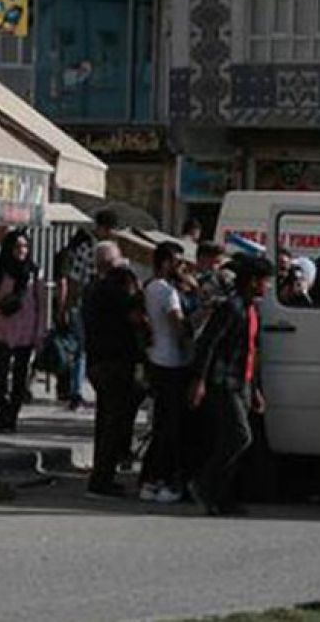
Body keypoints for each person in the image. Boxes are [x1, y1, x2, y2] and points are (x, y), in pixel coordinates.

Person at [188, 255, 274, 516]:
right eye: (265, 282)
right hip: (225, 381)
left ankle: (223, 497)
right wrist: (199, 380)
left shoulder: (252, 309)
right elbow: (208, 343)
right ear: (253, 281)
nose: (268, 287)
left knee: (233, 440)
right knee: (240, 436)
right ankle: (203, 483)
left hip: (244, 382)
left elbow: (252, 351)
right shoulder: (231, 307)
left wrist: (256, 388)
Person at [82, 242, 147, 497]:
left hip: (98, 360)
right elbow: (134, 317)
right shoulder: (114, 289)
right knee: (113, 422)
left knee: (106, 420)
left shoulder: (92, 288)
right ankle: (102, 478)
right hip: (115, 361)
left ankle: (102, 474)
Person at [139, 242, 193, 503]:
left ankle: (150, 479)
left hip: (157, 359)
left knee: (161, 425)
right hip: (171, 362)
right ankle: (160, 479)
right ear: (165, 263)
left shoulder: (150, 287)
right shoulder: (167, 292)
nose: (181, 267)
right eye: (177, 261)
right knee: (170, 427)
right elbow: (180, 328)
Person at [59, 209, 120, 410]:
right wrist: (69, 306)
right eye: (110, 228)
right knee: (82, 349)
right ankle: (76, 391)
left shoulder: (114, 250)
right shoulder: (87, 249)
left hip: (104, 307)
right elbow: (74, 280)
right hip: (87, 305)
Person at [0, 230, 43, 432]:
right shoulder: (0, 272)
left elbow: (40, 303)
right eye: (18, 246)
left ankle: (12, 416)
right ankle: (4, 409)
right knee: (0, 376)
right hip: (3, 329)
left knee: (20, 375)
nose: (22, 251)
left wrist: (40, 332)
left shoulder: (34, 272)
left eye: (25, 246)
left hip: (26, 331)